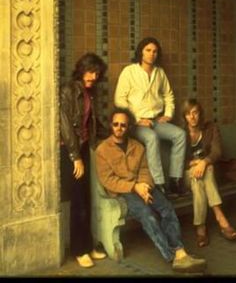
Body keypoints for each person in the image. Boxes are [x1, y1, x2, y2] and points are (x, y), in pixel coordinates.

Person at [95, 107, 207, 273]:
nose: (119, 128)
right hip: (123, 192)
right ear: (110, 125)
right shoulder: (102, 150)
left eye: (123, 125)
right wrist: (135, 187)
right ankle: (172, 256)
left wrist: (145, 187)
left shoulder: (137, 146)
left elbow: (145, 170)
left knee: (166, 208)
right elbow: (108, 180)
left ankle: (180, 251)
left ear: (129, 127)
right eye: (115, 124)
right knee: (148, 216)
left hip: (144, 186)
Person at [114, 36, 186, 196]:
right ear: (141, 52)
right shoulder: (129, 71)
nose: (151, 54)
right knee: (152, 138)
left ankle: (175, 180)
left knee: (180, 135)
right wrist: (137, 120)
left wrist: (167, 114)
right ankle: (159, 184)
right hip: (134, 124)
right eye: (148, 50)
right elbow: (119, 99)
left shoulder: (160, 73)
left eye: (155, 51)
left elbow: (169, 95)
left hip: (155, 120)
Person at [60, 52, 108, 268]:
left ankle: (87, 246)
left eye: (97, 73)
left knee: (86, 198)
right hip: (71, 150)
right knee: (78, 200)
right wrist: (75, 157)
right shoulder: (69, 90)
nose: (93, 76)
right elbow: (65, 125)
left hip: (83, 148)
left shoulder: (90, 92)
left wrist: (115, 135)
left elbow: (93, 122)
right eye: (90, 72)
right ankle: (79, 250)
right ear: (81, 70)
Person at [182, 97, 236, 247]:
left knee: (202, 176)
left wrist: (204, 162)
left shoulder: (210, 128)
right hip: (187, 174)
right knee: (197, 174)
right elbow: (179, 163)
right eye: (188, 114)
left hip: (207, 173)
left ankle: (200, 228)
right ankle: (221, 217)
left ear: (200, 114)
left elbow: (217, 152)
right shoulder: (181, 134)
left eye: (195, 112)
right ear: (184, 117)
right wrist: (195, 163)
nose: (192, 117)